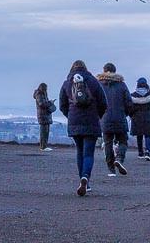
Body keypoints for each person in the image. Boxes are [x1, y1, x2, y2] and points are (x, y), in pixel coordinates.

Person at [60, 58, 107, 197]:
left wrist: (71, 117)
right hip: (91, 121)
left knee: (80, 152)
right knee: (88, 153)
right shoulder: (93, 82)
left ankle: (84, 181)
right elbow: (103, 103)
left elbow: (62, 105)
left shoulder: (67, 83)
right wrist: (98, 115)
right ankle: (85, 178)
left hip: (74, 122)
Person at [97, 63, 133, 176]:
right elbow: (129, 102)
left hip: (105, 118)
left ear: (104, 71)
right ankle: (119, 158)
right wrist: (126, 113)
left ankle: (111, 169)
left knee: (107, 143)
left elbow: (96, 102)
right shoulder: (121, 85)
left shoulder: (99, 85)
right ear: (115, 71)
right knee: (123, 141)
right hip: (120, 117)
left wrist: (99, 116)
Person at [129, 77, 150, 160]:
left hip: (137, 117)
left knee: (139, 135)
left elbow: (130, 108)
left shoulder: (133, 96)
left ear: (137, 85)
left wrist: (131, 115)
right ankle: (148, 151)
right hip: (148, 116)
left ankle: (140, 152)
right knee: (148, 135)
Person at [33, 83, 56, 151]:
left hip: (45, 115)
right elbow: (42, 104)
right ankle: (43, 147)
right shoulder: (39, 94)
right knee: (44, 132)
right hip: (43, 115)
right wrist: (50, 103)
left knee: (46, 131)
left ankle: (44, 146)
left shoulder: (42, 94)